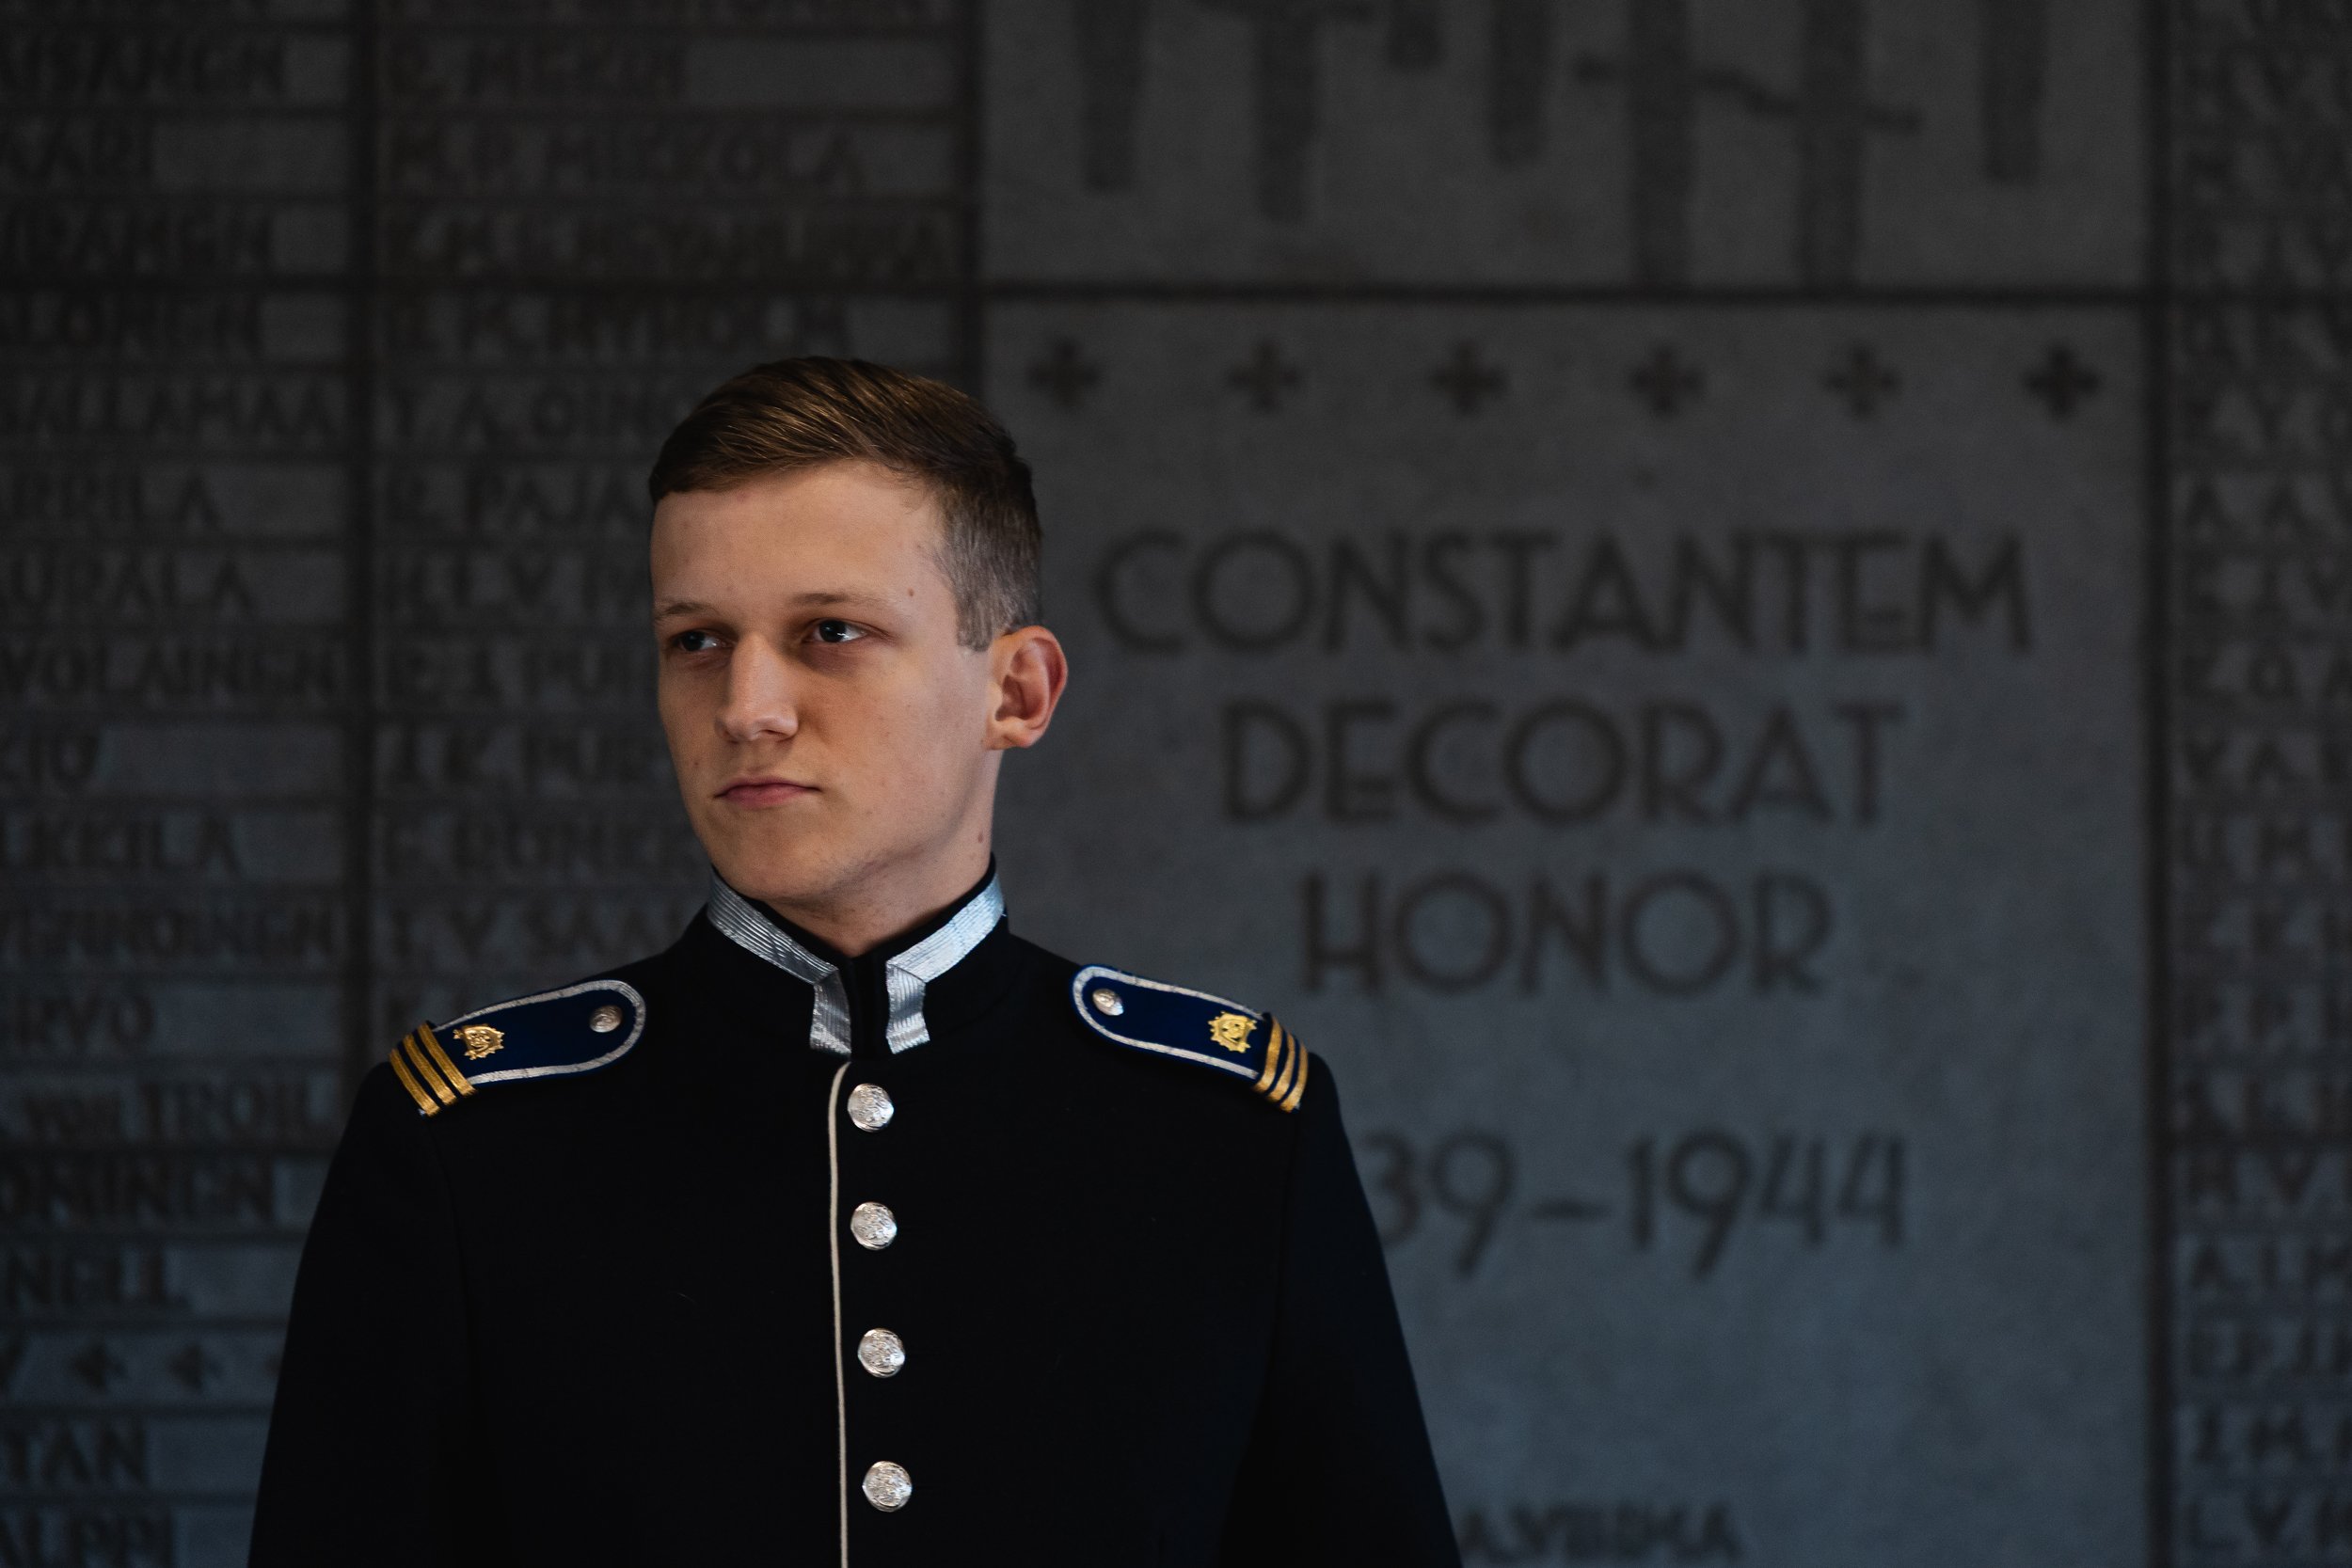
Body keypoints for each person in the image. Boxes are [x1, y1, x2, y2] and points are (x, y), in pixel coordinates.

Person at [248, 357, 1460, 1565]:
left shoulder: (1229, 1129)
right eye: (697, 640)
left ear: (1018, 690)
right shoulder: (470, 1141)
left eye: (832, 632)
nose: (747, 706)